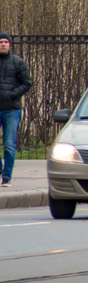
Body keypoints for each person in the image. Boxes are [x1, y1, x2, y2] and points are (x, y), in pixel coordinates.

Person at [0, 33, 33, 187]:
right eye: (1, 42)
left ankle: (7, 177)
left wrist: (13, 94)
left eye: (5, 42)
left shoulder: (17, 62)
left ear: (10, 45)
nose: (3, 44)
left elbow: (27, 83)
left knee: (9, 144)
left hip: (12, 110)